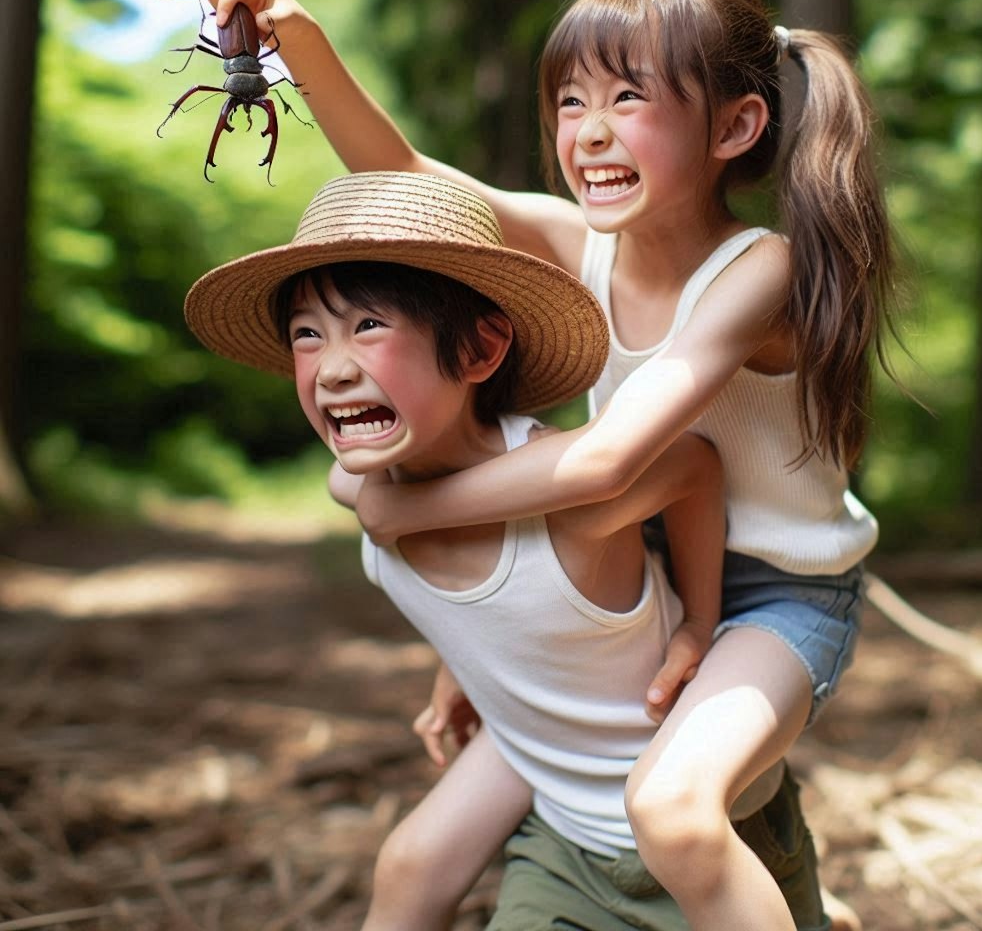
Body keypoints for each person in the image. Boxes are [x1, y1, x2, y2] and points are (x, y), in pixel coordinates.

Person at [157, 0, 889, 929]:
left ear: (735, 126)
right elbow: (409, 179)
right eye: (568, 104)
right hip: (643, 549)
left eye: (627, 100)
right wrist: (296, 36)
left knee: (671, 810)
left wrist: (393, 505)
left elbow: (603, 461)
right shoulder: (574, 241)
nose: (586, 132)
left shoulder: (759, 270)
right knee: (425, 853)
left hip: (782, 597)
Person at [182, 170, 834, 931]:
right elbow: (490, 610)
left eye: (368, 327)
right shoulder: (357, 485)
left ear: (482, 349)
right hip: (560, 834)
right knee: (409, 863)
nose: (331, 367)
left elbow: (694, 465)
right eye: (306, 334)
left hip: (715, 849)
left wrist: (700, 618)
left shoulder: (569, 499)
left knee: (675, 824)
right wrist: (457, 664)